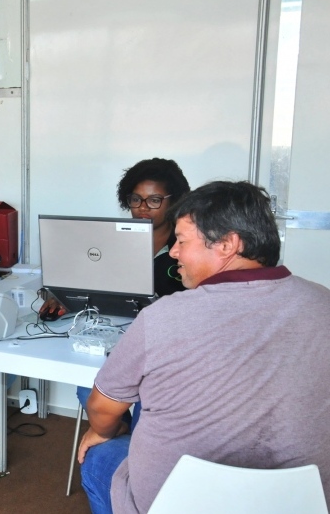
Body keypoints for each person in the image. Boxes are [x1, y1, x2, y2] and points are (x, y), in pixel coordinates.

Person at [77, 181, 330, 513]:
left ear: (227, 244)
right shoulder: (323, 302)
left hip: (176, 503)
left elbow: (102, 408)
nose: (173, 252)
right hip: (301, 501)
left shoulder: (163, 317)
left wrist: (104, 432)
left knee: (99, 453)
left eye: (182, 241)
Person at [41, 157, 190, 427]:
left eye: (154, 200)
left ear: (175, 201)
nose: (143, 207)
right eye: (136, 199)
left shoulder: (186, 245)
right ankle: (117, 434)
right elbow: (86, 279)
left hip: (166, 346)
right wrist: (62, 296)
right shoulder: (109, 240)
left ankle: (134, 440)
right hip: (114, 336)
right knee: (89, 386)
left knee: (150, 403)